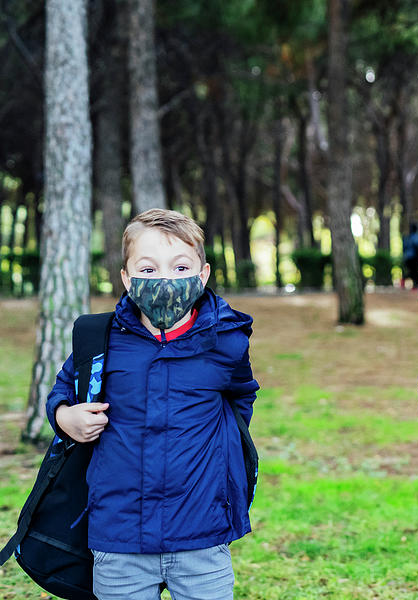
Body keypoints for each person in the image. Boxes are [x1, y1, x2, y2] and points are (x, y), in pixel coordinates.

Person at [46, 208, 259, 600]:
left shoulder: (227, 341)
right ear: (126, 278)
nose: (165, 280)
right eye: (147, 269)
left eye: (180, 268)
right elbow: (63, 390)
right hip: (119, 535)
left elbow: (241, 396)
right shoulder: (101, 340)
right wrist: (65, 417)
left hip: (202, 532)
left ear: (203, 273)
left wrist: (218, 449)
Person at [402, 222, 418, 288]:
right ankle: (416, 284)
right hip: (414, 257)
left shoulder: (407, 237)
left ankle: (408, 283)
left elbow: (404, 247)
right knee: (416, 271)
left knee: (411, 271)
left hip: (407, 257)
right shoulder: (416, 236)